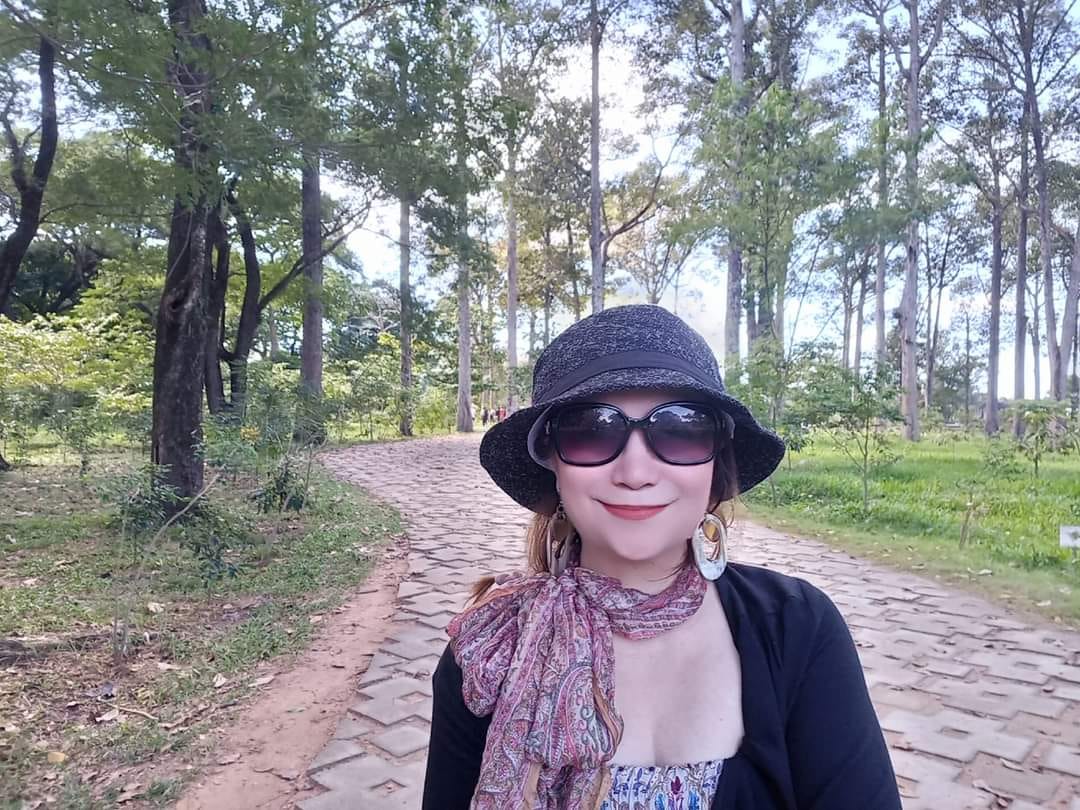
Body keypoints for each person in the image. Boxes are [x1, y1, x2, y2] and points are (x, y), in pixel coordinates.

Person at [422, 304, 901, 810]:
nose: (635, 473)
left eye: (681, 429)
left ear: (715, 465)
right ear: (552, 464)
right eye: (590, 430)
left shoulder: (797, 627)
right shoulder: (488, 652)